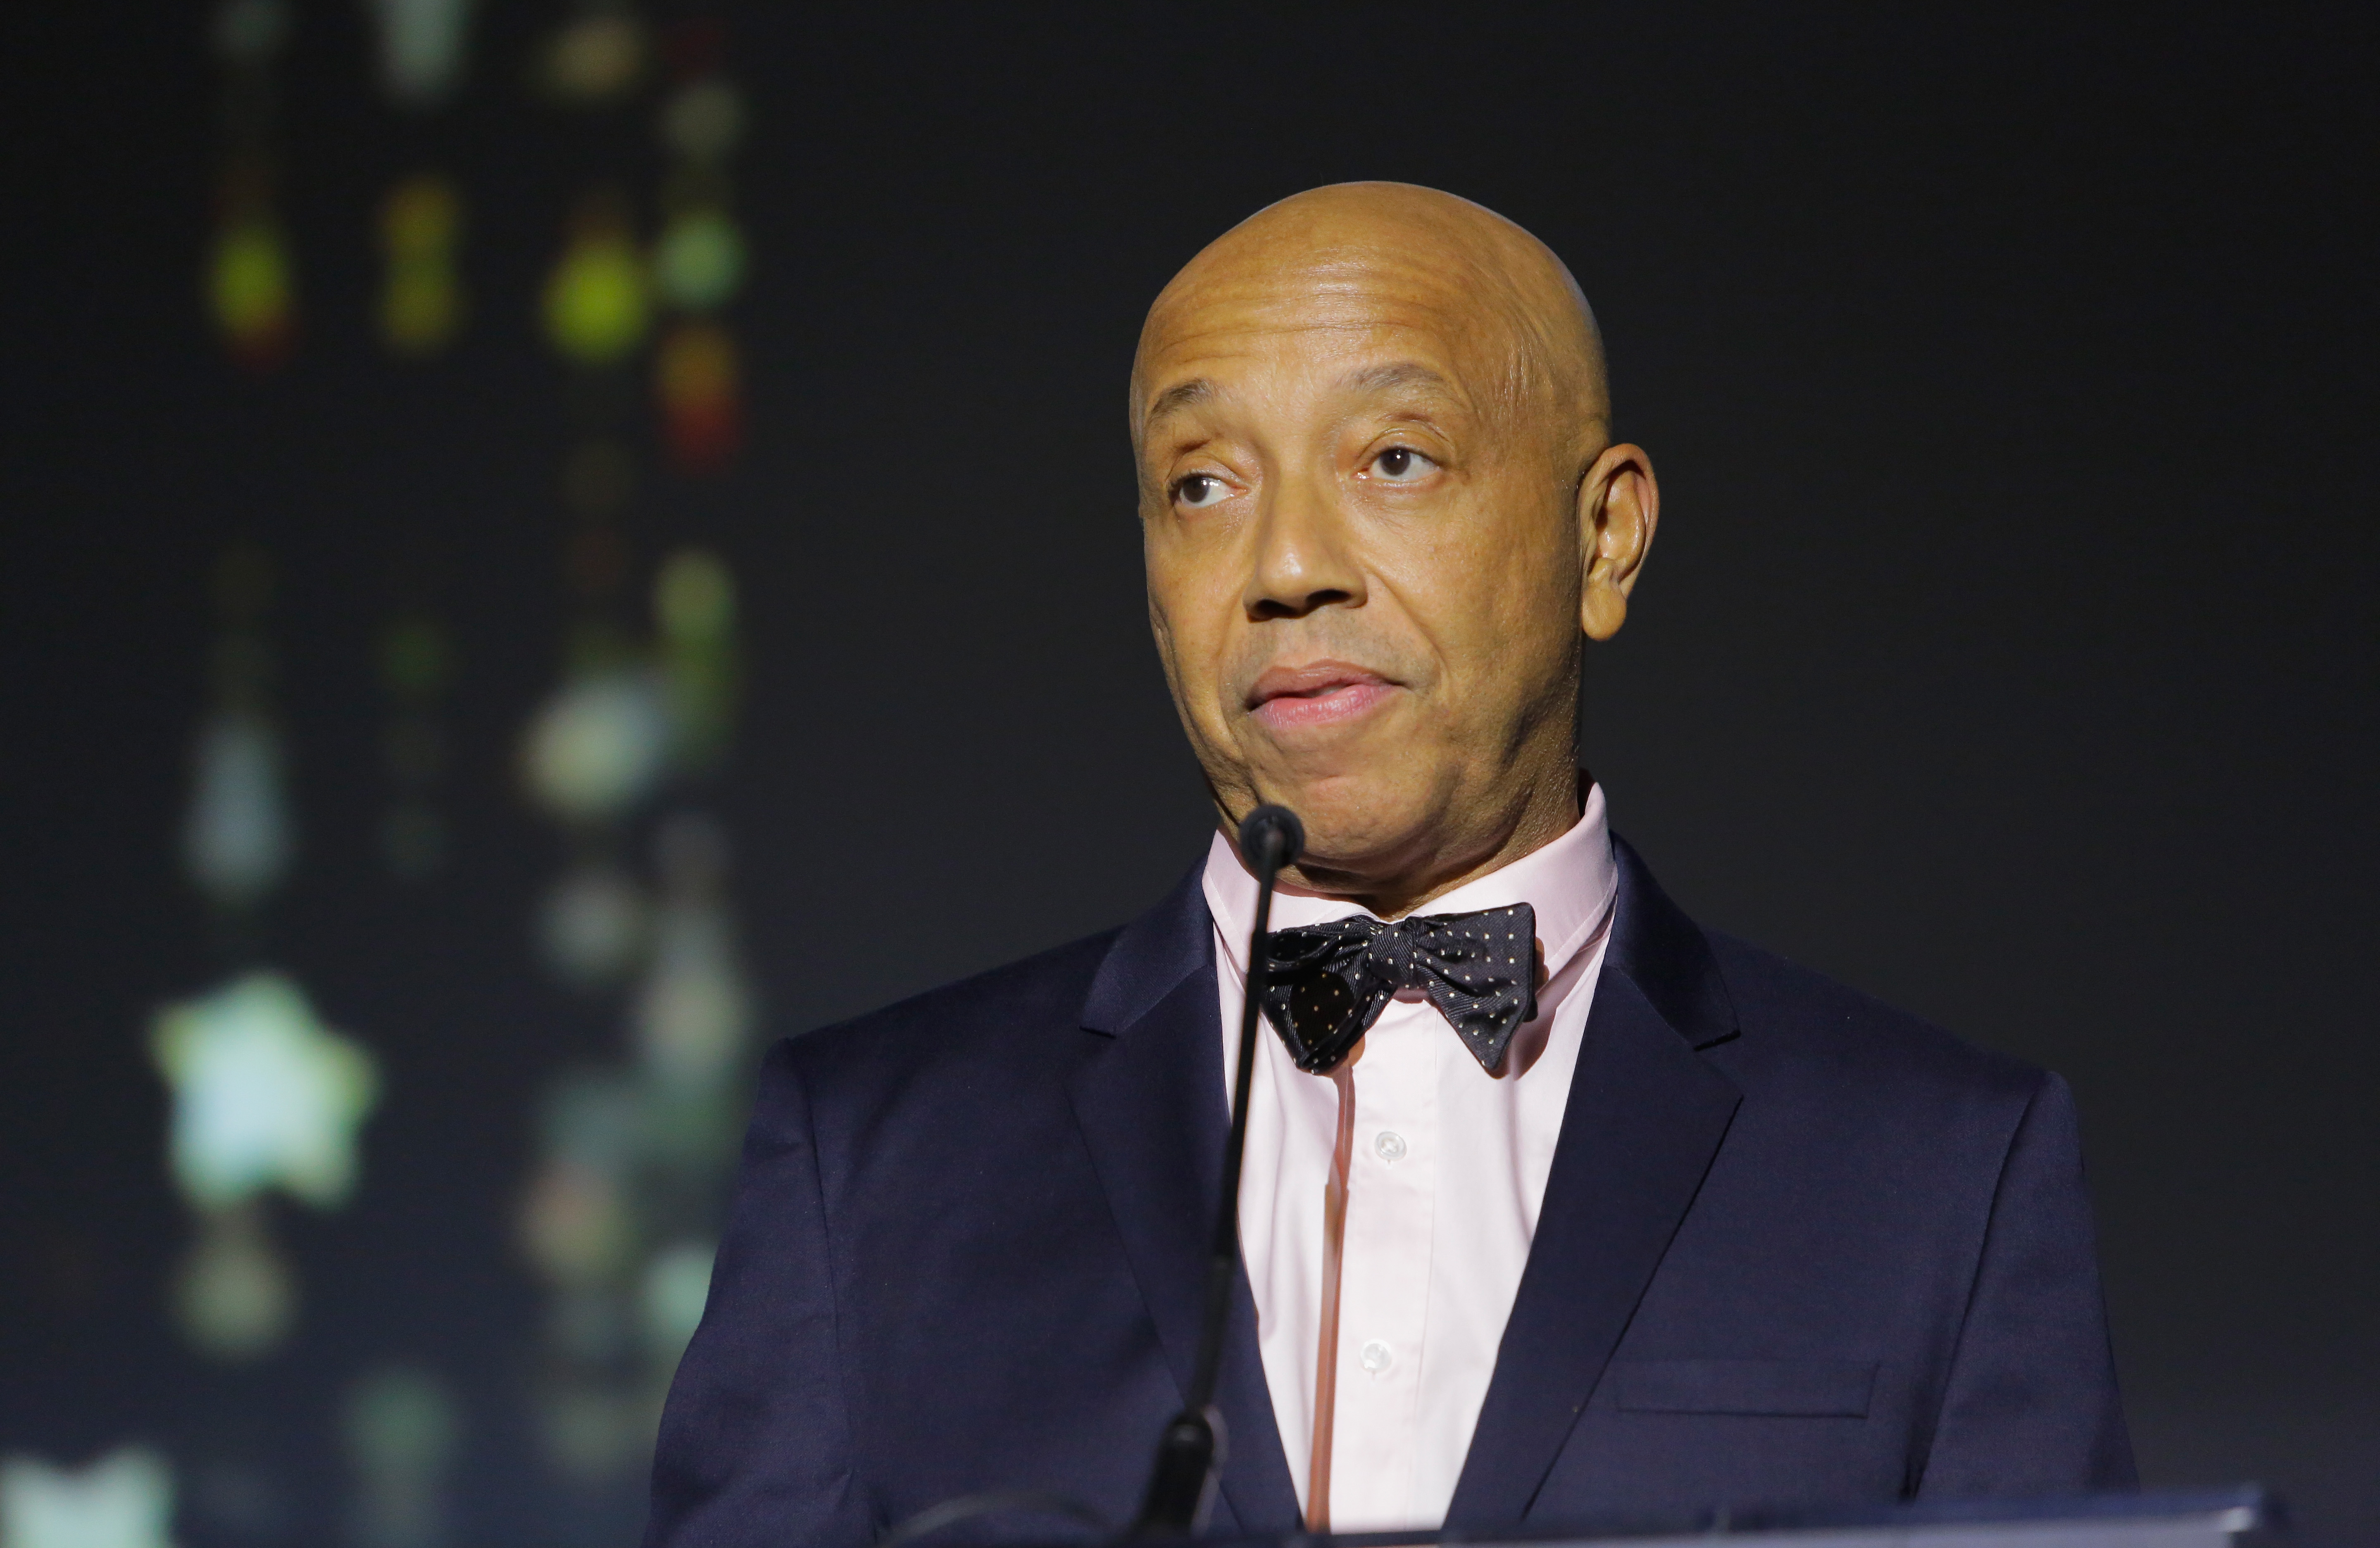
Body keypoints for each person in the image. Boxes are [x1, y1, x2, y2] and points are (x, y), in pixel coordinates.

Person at [644, 183, 2132, 1546]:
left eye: (1396, 459)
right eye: (1203, 485)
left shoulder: (1942, 1171)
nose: (1289, 566)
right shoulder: (868, 1162)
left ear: (1605, 539)